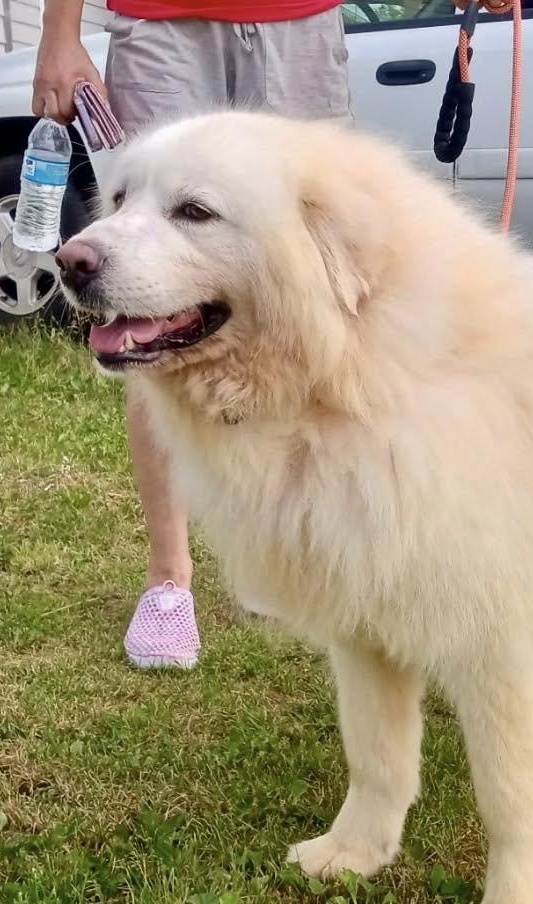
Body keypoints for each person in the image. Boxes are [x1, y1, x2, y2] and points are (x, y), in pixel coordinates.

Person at [33, 0, 352, 670]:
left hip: (300, 20)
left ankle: (277, 552)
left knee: (300, 300)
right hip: (164, 21)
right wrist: (60, 35)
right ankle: (168, 583)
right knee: (150, 296)